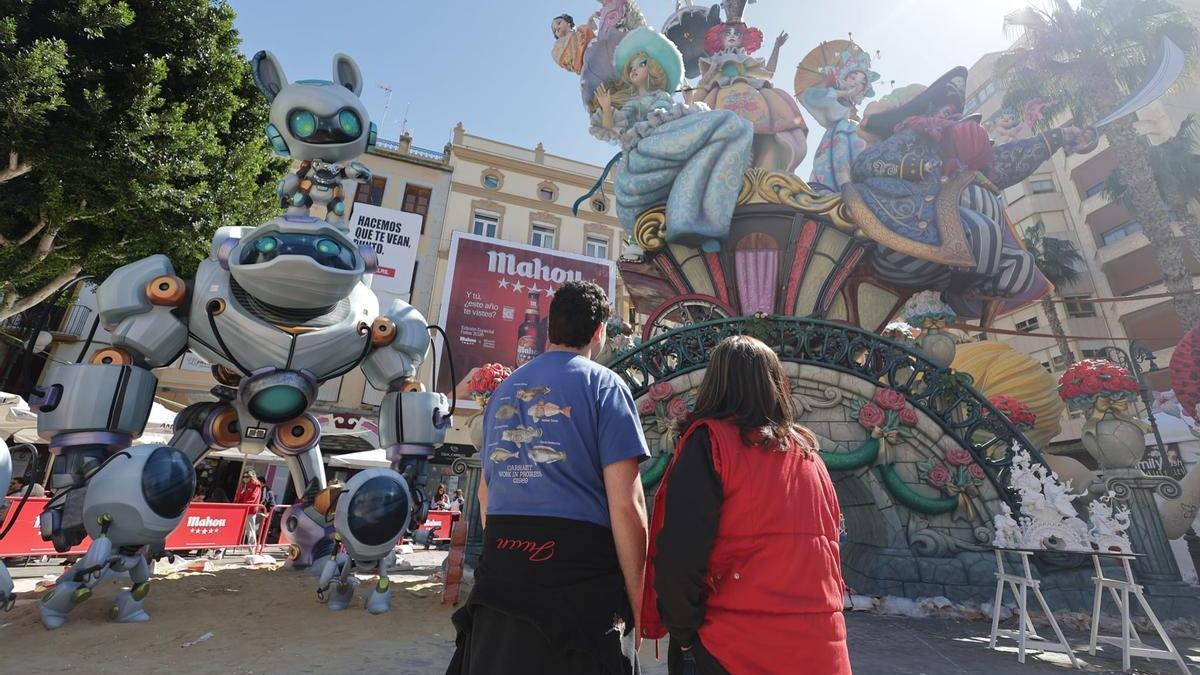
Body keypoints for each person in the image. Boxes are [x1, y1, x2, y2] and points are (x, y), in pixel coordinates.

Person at [446, 280, 651, 675]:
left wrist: (504, 556)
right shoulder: (605, 385)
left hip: (501, 573)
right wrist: (639, 597)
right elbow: (627, 504)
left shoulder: (504, 390)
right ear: (599, 332)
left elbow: (486, 494)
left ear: (549, 327)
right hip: (578, 577)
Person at [641, 336, 850, 674]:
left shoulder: (710, 444)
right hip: (818, 649)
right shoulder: (810, 454)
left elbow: (681, 554)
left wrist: (682, 634)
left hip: (733, 647)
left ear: (714, 383)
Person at [590, 27, 753, 252]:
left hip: (668, 142)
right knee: (730, 123)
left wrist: (688, 101)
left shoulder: (663, 98)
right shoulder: (632, 104)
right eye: (632, 67)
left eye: (641, 63)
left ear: (653, 67)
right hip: (644, 152)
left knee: (737, 128)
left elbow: (676, 121)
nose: (635, 69)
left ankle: (696, 220)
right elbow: (610, 130)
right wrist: (607, 108)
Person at [694, 7, 808, 172]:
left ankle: (754, 165)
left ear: (744, 39)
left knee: (755, 129)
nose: (732, 36)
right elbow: (704, 83)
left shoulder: (745, 59)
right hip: (721, 98)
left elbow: (768, 73)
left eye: (737, 34)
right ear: (719, 39)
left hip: (750, 96)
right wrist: (711, 70)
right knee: (722, 134)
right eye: (727, 34)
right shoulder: (716, 60)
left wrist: (776, 47)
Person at [234, 470, 263, 548]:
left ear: (252, 477)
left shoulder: (256, 486)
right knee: (234, 528)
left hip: (249, 510)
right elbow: (238, 497)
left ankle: (252, 549)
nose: (245, 478)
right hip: (240, 510)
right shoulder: (243, 485)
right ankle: (222, 549)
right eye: (244, 477)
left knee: (250, 530)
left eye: (247, 477)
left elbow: (253, 498)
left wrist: (243, 506)